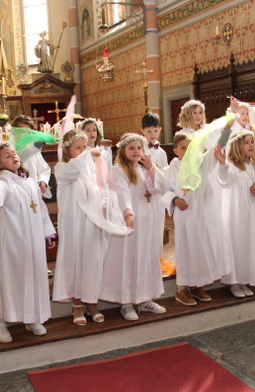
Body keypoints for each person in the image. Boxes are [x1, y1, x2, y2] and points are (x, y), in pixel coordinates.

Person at [0, 143, 56, 343]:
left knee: (33, 278)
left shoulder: (30, 181)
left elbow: (41, 209)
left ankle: (32, 318)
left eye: (14, 153)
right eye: (7, 156)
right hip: (13, 242)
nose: (14, 156)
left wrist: (48, 233)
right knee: (11, 280)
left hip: (33, 241)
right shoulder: (3, 181)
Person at [53, 130, 131, 325]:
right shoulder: (62, 168)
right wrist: (88, 153)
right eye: (77, 147)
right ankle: (77, 304)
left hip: (92, 222)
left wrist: (105, 209)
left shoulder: (89, 169)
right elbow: (73, 172)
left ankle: (91, 301)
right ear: (66, 150)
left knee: (93, 261)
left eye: (84, 147)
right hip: (74, 224)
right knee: (76, 261)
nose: (82, 151)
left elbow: (101, 190)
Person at [162, 116, 235, 306]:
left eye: (191, 147)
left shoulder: (202, 163)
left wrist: (227, 127)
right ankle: (182, 289)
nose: (187, 150)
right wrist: (174, 199)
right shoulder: (169, 171)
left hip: (204, 214)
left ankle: (198, 285)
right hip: (186, 216)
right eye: (183, 147)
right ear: (175, 150)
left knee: (202, 248)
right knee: (187, 250)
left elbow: (219, 145)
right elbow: (162, 191)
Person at [100, 133, 168, 321]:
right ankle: (126, 303)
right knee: (128, 259)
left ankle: (145, 299)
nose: (136, 151)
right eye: (131, 148)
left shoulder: (143, 168)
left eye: (139, 148)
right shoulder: (118, 170)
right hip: (128, 222)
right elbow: (121, 193)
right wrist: (128, 213)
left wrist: (151, 168)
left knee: (146, 258)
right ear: (123, 150)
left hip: (147, 222)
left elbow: (159, 189)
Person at [218, 130, 255, 298]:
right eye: (247, 142)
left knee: (250, 244)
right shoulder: (231, 166)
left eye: (252, 142)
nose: (251, 145)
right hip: (235, 213)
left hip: (252, 214)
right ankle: (235, 282)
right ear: (237, 146)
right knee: (236, 244)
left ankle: (245, 280)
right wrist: (222, 164)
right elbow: (224, 180)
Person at [140, 112, 173, 275]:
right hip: (145, 192)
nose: (152, 134)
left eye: (155, 130)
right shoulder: (141, 149)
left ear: (160, 129)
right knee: (146, 227)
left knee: (158, 226)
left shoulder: (162, 152)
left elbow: (165, 173)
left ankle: (157, 260)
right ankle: (144, 262)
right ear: (142, 131)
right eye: (148, 131)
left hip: (158, 194)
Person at [11, 115, 52, 199]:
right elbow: (22, 155)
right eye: (23, 132)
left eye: (29, 132)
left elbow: (44, 170)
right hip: (17, 194)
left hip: (34, 193)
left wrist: (43, 181)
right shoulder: (9, 149)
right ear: (14, 132)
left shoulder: (35, 151)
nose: (26, 135)